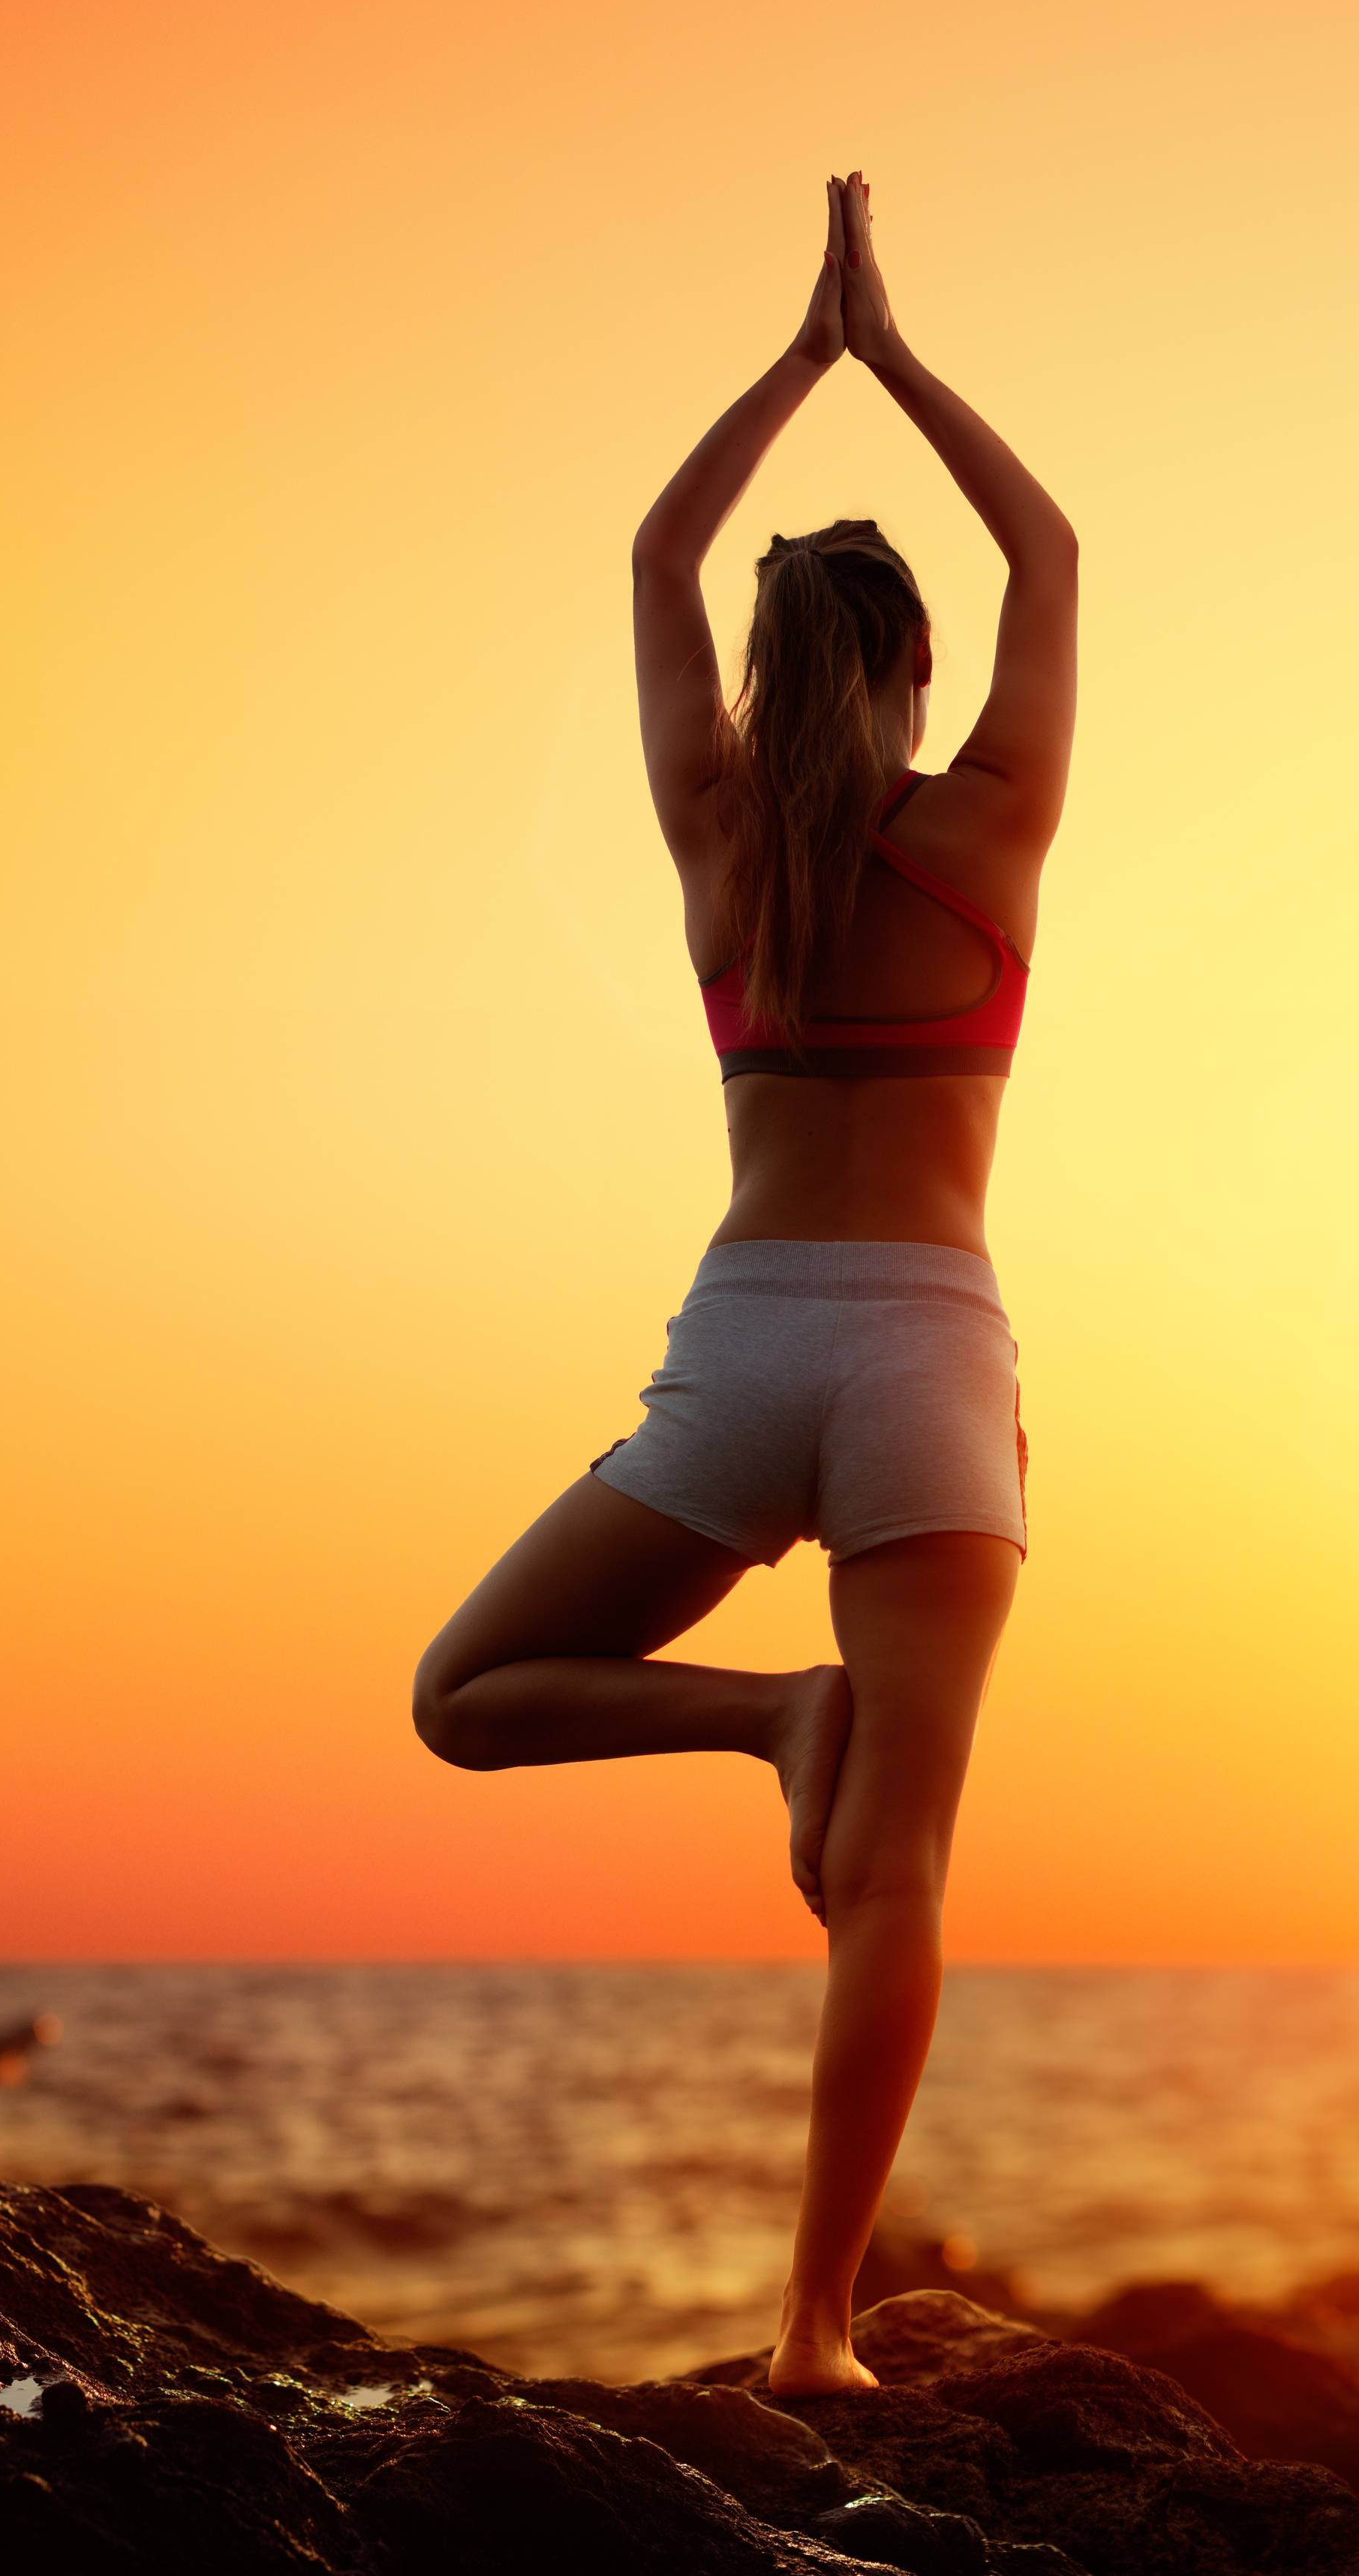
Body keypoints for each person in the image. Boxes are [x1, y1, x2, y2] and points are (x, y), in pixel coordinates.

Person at [411, 173, 1075, 2396]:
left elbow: (652, 560)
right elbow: (1053, 558)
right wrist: (890, 354)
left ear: (774, 675)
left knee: (468, 1693)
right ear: (907, 672)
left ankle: (758, 1717)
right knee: (896, 1874)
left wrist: (792, 367)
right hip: (928, 1363)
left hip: (745, 1342)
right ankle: (815, 2329)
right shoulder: (984, 831)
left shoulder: (714, 837)